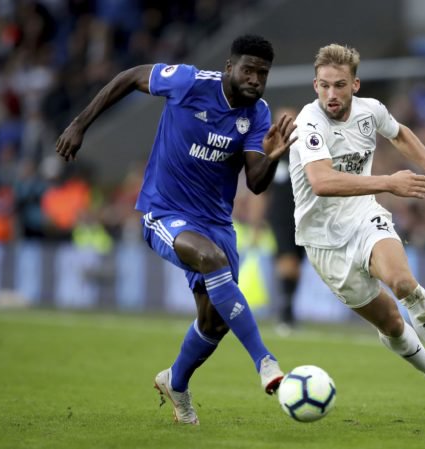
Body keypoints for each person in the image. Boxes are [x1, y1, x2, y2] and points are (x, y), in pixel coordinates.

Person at [56, 35, 297, 425]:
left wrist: (271, 156)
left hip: (217, 222)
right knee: (210, 259)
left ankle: (176, 382)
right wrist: (80, 124)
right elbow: (130, 76)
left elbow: (255, 182)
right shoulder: (189, 82)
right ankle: (264, 361)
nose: (255, 79)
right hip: (164, 211)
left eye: (263, 73)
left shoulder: (258, 113)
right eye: (249, 70)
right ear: (229, 67)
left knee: (214, 321)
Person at [288, 44, 425, 411]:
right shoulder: (308, 123)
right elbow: (321, 182)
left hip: (364, 216)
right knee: (392, 323)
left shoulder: (370, 111)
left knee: (402, 283)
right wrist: (389, 182)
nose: (331, 94)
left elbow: (400, 134)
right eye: (324, 85)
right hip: (323, 242)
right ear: (315, 85)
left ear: (356, 85)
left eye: (340, 85)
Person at [266, 106, 305, 335]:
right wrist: (256, 219)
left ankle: (288, 307)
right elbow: (260, 189)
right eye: (281, 120)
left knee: (296, 266)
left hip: (303, 216)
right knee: (288, 261)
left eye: (290, 120)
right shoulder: (271, 149)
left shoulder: (306, 148)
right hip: (280, 216)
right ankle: (285, 312)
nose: (286, 124)